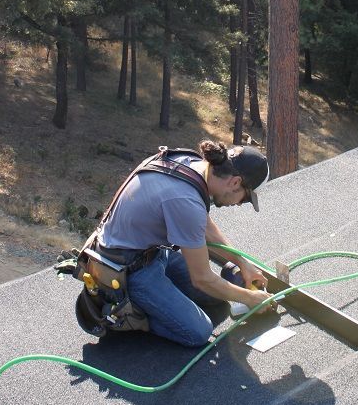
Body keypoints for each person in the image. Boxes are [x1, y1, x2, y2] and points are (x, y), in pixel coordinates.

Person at [93, 140, 271, 347]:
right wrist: (250, 298)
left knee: (214, 299)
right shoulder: (186, 201)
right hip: (126, 270)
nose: (240, 204)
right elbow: (202, 279)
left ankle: (158, 298)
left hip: (150, 252)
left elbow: (205, 226)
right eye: (245, 198)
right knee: (197, 331)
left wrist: (243, 264)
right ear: (235, 182)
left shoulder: (193, 164)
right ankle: (128, 313)